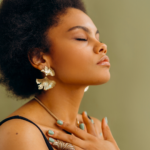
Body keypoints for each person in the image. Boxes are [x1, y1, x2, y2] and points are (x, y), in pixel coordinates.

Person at [0, 0, 120, 150]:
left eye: (97, 37)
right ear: (40, 58)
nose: (102, 46)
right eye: (81, 38)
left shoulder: (95, 129)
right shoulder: (20, 132)